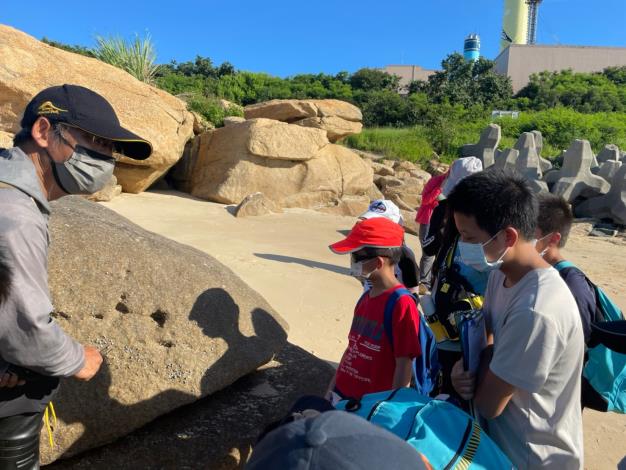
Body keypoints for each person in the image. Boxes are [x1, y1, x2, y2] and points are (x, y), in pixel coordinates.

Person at [0, 84, 152, 469]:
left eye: (110, 149)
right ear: (43, 131)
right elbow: (27, 329)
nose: (106, 159)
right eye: (94, 142)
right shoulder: (15, 215)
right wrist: (74, 358)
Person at [449, 170, 584, 468]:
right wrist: (464, 371)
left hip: (531, 456)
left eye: (468, 237)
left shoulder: (537, 310)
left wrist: (477, 373)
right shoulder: (501, 275)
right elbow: (487, 334)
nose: (462, 245)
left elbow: (488, 403)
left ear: (507, 236)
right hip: (500, 445)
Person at [325, 217, 422, 401]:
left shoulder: (401, 303)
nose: (352, 262)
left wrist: (389, 407)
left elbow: (404, 364)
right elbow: (352, 347)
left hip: (370, 403)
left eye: (355, 256)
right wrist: (331, 389)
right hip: (342, 395)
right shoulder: (365, 297)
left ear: (378, 263)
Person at [535, 193, 609, 411]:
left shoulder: (572, 284)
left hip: (565, 390)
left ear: (554, 239)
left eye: (530, 232)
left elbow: (579, 343)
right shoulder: (542, 273)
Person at [358, 199, 419, 294]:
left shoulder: (404, 255)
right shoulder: (364, 249)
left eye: (378, 223)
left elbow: (413, 291)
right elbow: (365, 280)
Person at [415, 169, 448, 294]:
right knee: (428, 253)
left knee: (442, 254)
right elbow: (425, 200)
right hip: (428, 221)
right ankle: (424, 283)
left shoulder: (458, 185)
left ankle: (432, 282)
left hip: (444, 223)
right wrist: (440, 188)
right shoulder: (435, 181)